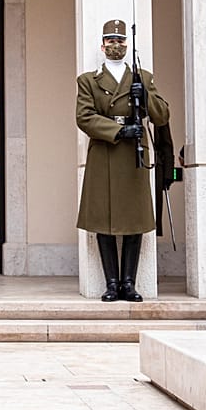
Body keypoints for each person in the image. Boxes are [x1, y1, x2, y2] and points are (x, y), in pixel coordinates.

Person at [76, 19, 169, 302]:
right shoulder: (88, 80)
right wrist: (118, 130)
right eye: (111, 41)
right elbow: (84, 117)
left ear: (127, 45)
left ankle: (129, 283)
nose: (116, 45)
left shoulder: (143, 77)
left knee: (134, 219)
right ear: (102, 45)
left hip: (133, 153)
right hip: (105, 151)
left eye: (120, 41)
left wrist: (145, 95)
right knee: (103, 219)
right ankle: (111, 283)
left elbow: (162, 116)